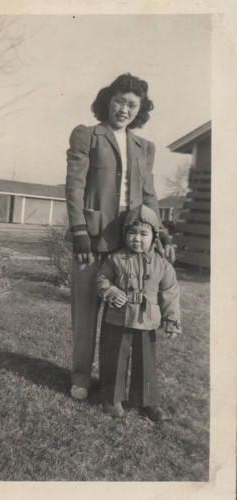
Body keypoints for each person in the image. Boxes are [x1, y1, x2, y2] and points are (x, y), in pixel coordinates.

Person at [65, 73, 175, 401]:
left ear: (139, 110)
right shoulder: (87, 135)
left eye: (132, 105)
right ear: (107, 101)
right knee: (85, 314)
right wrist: (79, 231)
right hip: (91, 242)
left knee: (123, 314)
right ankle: (81, 377)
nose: (124, 109)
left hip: (130, 249)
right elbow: (74, 186)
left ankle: (113, 381)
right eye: (119, 101)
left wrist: (162, 235)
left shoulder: (145, 147)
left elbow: (150, 196)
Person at [97, 204, 182, 420]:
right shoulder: (115, 259)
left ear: (154, 237)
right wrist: (111, 291)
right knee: (115, 359)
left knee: (146, 361)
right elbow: (102, 279)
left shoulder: (162, 265)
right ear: (125, 235)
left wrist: (171, 320)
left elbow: (169, 292)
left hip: (147, 320)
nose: (137, 238)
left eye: (143, 234)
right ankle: (112, 398)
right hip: (119, 319)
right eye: (132, 233)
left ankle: (147, 402)